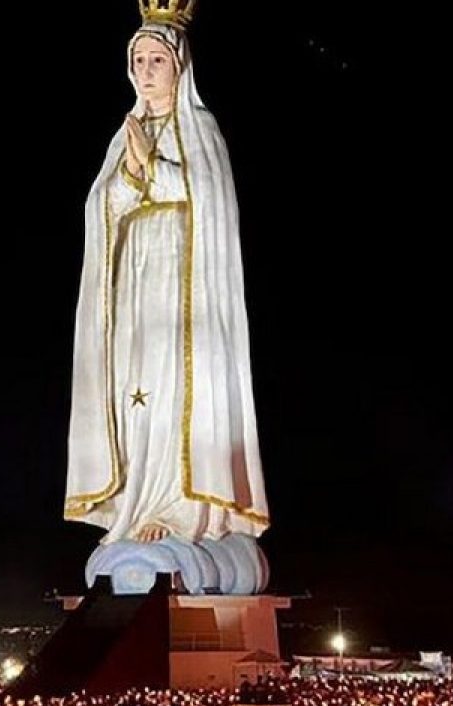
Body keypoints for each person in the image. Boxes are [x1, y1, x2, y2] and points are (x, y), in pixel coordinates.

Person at [64, 0, 270, 545]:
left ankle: (182, 509)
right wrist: (130, 172)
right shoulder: (123, 133)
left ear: (180, 66)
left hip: (184, 290)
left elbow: (209, 203)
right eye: (140, 61)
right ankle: (138, 501)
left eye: (158, 60)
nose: (147, 72)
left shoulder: (200, 127)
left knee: (177, 390)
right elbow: (101, 208)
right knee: (136, 391)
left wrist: (152, 168)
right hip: (136, 289)